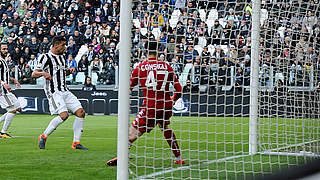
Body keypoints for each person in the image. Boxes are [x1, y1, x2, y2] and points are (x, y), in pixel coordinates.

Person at [106, 42, 184, 166]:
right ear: (158, 51)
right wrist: (172, 100)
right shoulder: (167, 66)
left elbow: (129, 87)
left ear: (144, 51)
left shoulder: (140, 67)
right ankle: (179, 157)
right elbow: (179, 89)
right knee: (165, 127)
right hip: (165, 105)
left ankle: (121, 157)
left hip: (151, 106)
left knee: (133, 131)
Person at [31, 36, 88, 150]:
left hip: (64, 90)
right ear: (56, 45)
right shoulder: (45, 57)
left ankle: (76, 143)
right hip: (54, 91)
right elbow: (34, 74)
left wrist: (69, 71)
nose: (65, 47)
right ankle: (43, 136)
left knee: (81, 112)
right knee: (64, 115)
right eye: (63, 45)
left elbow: (62, 72)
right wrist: (43, 74)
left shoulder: (62, 57)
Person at [0, 42, 21, 138]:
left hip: (7, 90)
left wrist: (13, 80)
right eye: (3, 49)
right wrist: (3, 83)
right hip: (2, 91)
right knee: (12, 110)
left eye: (6, 49)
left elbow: (5, 75)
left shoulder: (4, 61)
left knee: (18, 108)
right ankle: (3, 132)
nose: (5, 51)